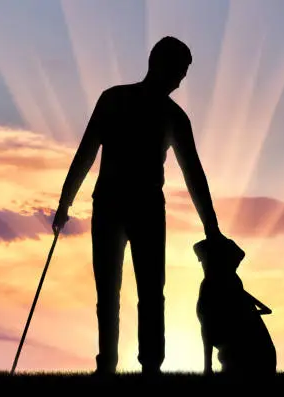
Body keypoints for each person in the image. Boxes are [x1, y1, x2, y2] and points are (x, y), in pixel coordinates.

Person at [52, 37, 225, 376]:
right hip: (113, 208)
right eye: (179, 71)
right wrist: (64, 201)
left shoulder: (170, 116)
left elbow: (195, 177)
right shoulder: (116, 100)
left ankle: (149, 368)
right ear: (159, 64)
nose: (180, 80)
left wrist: (212, 228)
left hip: (141, 210)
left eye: (184, 73)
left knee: (148, 292)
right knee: (113, 291)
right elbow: (87, 152)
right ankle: (111, 368)